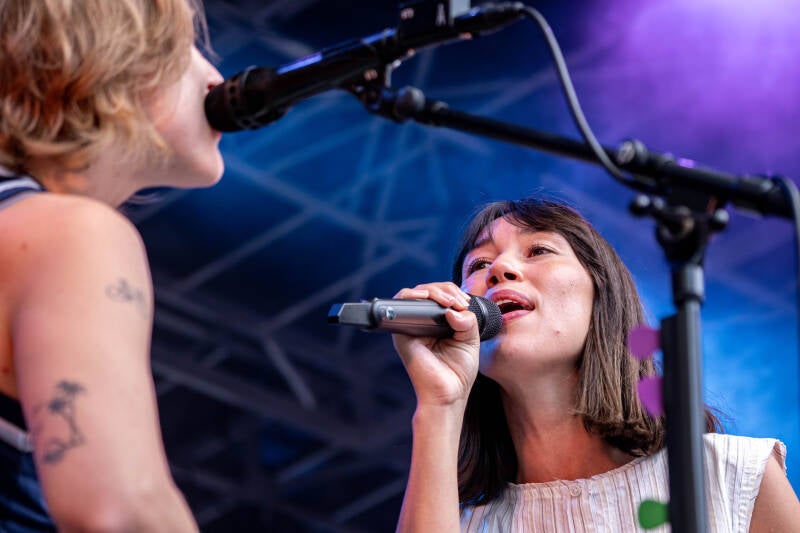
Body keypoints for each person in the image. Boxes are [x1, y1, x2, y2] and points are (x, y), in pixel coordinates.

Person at [391, 198, 800, 532]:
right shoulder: (453, 521)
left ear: (601, 294)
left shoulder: (730, 476)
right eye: (478, 266)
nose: (498, 269)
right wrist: (440, 404)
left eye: (538, 250)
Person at [0, 0, 224, 530]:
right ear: (110, 60)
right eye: (184, 48)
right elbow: (121, 513)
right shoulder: (69, 233)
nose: (215, 77)